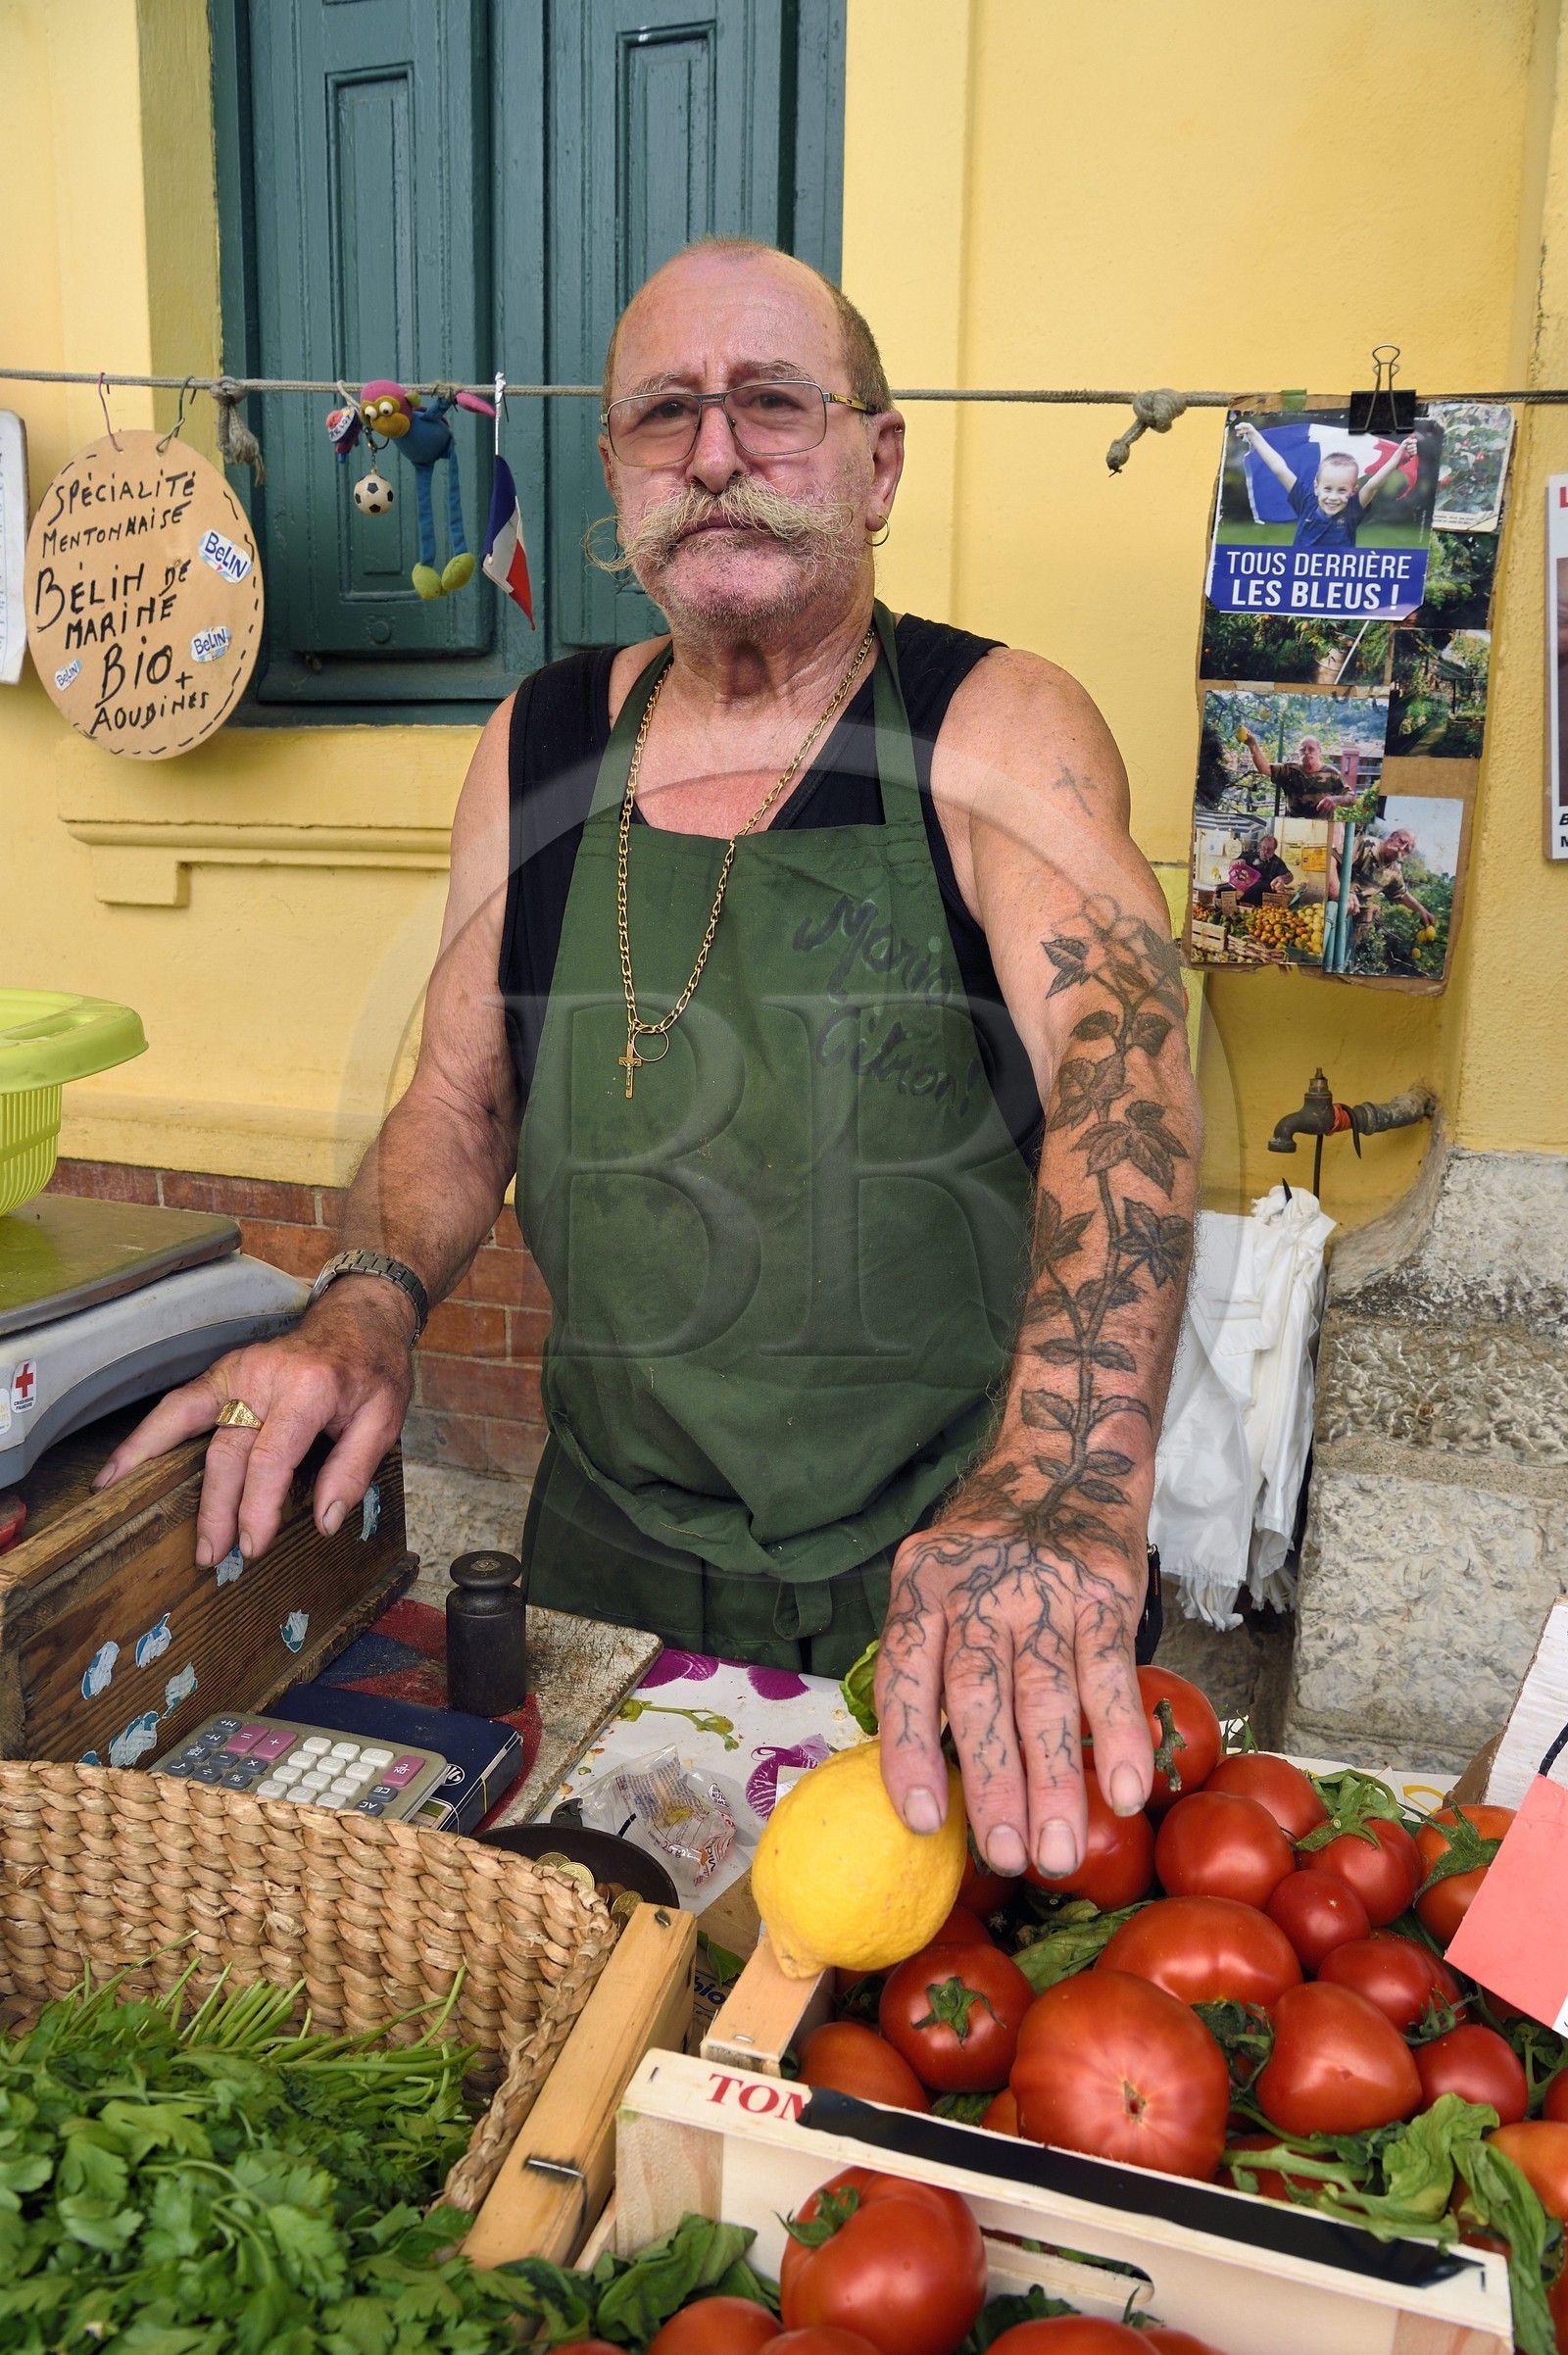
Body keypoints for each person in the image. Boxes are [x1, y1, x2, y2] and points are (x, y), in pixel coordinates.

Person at [96, 239, 1200, 1884]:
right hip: (598, 1572)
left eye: (773, 403)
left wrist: (1066, 1478)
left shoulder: (992, 728)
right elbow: (457, 1103)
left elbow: (1128, 1077)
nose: (716, 454)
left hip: (933, 1590)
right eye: (665, 415)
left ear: (878, 459)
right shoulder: (540, 745)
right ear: (613, 472)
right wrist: (369, 1294)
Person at [1234, 422, 1421, 552]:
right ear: (1316, 487)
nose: (1333, 497)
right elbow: (1278, 467)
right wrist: (1254, 435)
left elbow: (1373, 484)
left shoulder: (1353, 509)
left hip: (1336, 578)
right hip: (1300, 574)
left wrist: (1399, 455)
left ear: (1353, 491)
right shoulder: (1306, 501)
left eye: (1342, 490)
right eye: (1327, 489)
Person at [1240, 727, 1361, 819]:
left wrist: (1336, 799)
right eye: (1303, 749)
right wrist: (1252, 744)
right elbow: (1264, 769)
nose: (1307, 752)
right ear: (1298, 753)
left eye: (1311, 749)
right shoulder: (1289, 770)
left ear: (1320, 752)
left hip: (1320, 829)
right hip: (1291, 827)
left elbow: (1352, 798)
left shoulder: (1332, 774)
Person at [1237, 834, 1294, 907]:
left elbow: (1290, 876)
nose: (1266, 851)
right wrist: (1238, 862)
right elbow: (1233, 861)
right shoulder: (1251, 856)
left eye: (1269, 849)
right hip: (1246, 897)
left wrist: (1282, 879)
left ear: (1274, 850)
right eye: (1263, 848)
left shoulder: (1277, 862)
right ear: (1259, 847)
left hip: (1266, 902)